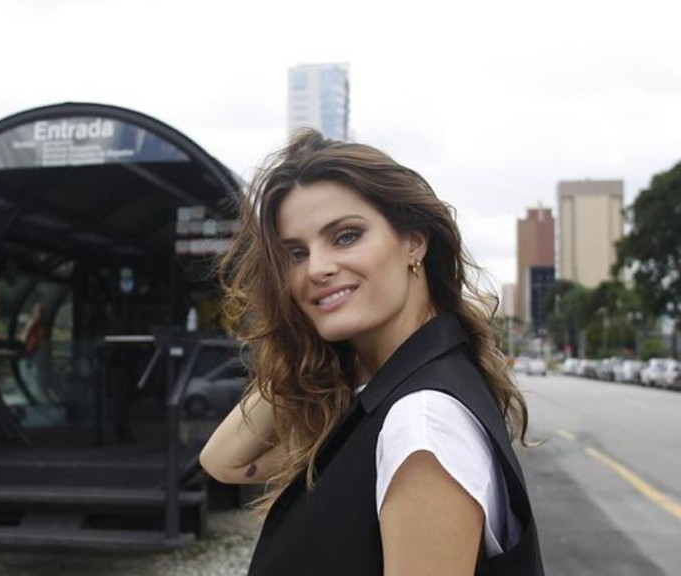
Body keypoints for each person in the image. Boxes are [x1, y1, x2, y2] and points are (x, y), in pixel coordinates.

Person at [199, 130, 544, 575]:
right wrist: (307, 353)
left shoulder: (421, 422)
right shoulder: (385, 392)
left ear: (413, 242)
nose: (317, 268)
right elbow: (223, 461)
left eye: (345, 236)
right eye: (296, 253)